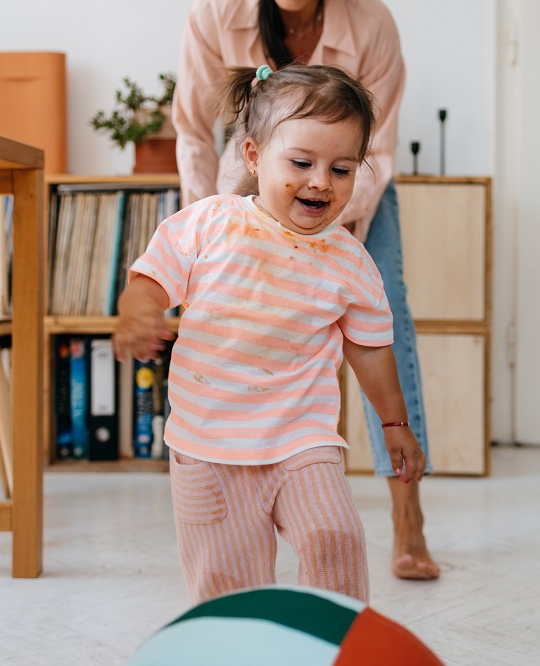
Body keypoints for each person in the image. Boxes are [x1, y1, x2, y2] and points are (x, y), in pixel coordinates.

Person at [113, 64, 426, 605]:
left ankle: (334, 642)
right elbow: (151, 278)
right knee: (230, 585)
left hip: (303, 440)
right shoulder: (210, 223)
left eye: (343, 168)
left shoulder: (350, 261)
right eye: (302, 163)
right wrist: (136, 311)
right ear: (255, 156)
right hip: (209, 447)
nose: (321, 182)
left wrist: (395, 422)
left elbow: (370, 349)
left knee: (336, 536)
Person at [174, 0, 441, 581]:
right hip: (251, 180)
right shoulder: (217, 14)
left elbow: (376, 154)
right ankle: (243, 473)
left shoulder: (372, 24)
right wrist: (210, 229)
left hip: (353, 185)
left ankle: (407, 509)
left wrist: (323, 240)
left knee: (381, 309)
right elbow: (193, 129)